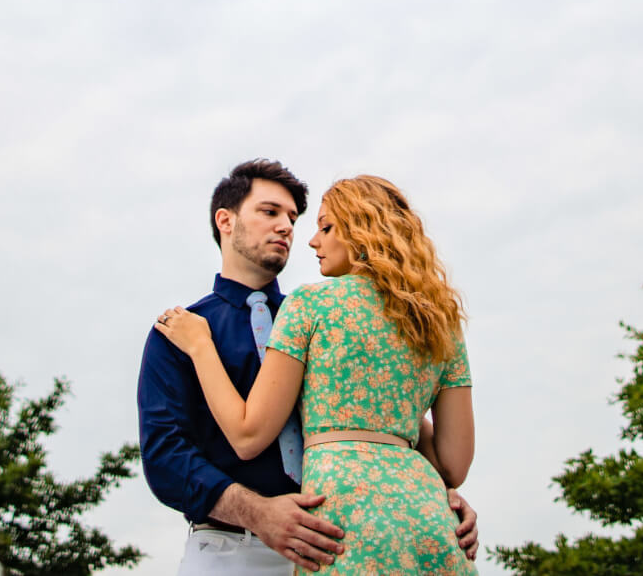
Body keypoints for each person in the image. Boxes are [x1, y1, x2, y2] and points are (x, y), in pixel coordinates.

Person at [139, 160, 477, 574]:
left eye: (293, 218)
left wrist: (434, 493)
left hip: (345, 544)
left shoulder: (312, 313)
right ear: (225, 221)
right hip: (232, 551)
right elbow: (166, 458)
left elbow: (389, 422)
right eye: (270, 212)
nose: (287, 227)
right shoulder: (180, 333)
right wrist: (258, 513)